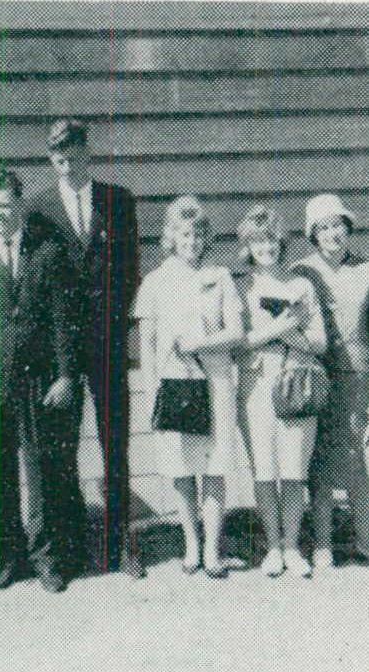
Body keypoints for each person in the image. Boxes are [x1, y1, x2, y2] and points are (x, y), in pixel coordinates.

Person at [0, 169, 80, 593]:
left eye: (6, 205)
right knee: (1, 468)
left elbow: (63, 319)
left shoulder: (48, 253)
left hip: (39, 382)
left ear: (20, 205)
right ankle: (9, 558)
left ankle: (45, 557)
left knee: (41, 469)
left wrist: (65, 374)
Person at [28, 118, 144, 578]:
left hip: (107, 343)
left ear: (86, 154)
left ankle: (121, 543)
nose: (67, 165)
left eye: (74, 156)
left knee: (116, 442)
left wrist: (115, 324)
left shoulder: (118, 200)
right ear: (50, 159)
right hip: (60, 349)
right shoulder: (38, 208)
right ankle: (72, 547)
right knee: (63, 446)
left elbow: (131, 270)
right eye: (59, 159)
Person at [135, 196, 244, 577]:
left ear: (206, 237)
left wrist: (201, 343)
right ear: (171, 237)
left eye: (198, 234)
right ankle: (191, 545)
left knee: (214, 466)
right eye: (184, 234)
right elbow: (147, 343)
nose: (192, 241)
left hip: (215, 383)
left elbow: (237, 331)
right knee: (181, 468)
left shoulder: (220, 277)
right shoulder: (155, 281)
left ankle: (212, 549)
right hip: (174, 386)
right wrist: (151, 392)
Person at [293, 193, 369, 570]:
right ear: (313, 234)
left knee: (354, 454)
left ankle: (365, 541)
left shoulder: (368, 270)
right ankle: (322, 543)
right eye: (323, 228)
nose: (332, 234)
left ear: (347, 229)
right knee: (318, 456)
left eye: (338, 225)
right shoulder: (302, 271)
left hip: (357, 375)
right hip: (314, 373)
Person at [235, 205, 327, 578]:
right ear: (248, 246)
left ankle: (292, 546)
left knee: (293, 470)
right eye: (258, 241)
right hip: (255, 383)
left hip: (296, 381)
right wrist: (280, 327)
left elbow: (320, 342)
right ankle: (272, 545)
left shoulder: (301, 285)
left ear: (281, 242)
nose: (266, 247)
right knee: (263, 469)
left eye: (272, 239)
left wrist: (291, 334)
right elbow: (237, 343)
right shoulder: (240, 287)